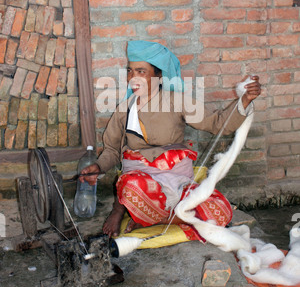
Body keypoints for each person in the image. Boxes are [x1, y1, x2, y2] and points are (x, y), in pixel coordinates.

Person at [80, 40, 261, 241]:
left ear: (158, 75)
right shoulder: (125, 109)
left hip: (179, 184)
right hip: (145, 187)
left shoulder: (178, 101)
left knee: (221, 211)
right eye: (130, 71)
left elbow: (218, 123)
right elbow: (112, 150)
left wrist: (244, 100)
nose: (133, 78)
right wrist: (98, 167)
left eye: (141, 72)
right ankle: (123, 210)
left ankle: (151, 218)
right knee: (130, 186)